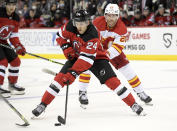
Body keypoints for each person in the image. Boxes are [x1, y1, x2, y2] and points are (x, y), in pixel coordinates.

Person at [32, 9, 145, 117]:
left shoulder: (92, 34)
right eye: (77, 23)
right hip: (77, 56)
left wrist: (72, 74)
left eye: (83, 23)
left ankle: (133, 104)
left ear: (88, 22)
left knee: (113, 82)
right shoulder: (70, 26)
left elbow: (86, 60)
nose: (79, 26)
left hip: (97, 58)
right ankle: (42, 105)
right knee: (58, 80)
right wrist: (66, 47)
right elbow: (59, 36)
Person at [78, 3, 152, 106]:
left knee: (128, 70)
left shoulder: (122, 29)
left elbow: (116, 49)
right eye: (108, 15)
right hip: (97, 49)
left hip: (112, 52)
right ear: (105, 15)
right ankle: (82, 92)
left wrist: (104, 56)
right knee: (86, 66)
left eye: (113, 15)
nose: (111, 18)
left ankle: (140, 92)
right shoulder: (97, 22)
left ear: (118, 16)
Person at [0, 0, 26, 97]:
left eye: (13, 5)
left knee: (16, 61)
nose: (11, 7)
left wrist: (19, 47)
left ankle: (12, 84)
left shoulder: (16, 17)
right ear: (5, 5)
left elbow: (13, 36)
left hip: (3, 42)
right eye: (9, 5)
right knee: (2, 62)